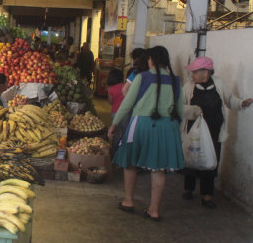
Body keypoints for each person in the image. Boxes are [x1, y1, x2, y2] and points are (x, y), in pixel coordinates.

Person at [108, 46, 184, 221]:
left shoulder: (142, 77)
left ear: (151, 60)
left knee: (130, 163)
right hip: (168, 126)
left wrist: (114, 124)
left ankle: (129, 201)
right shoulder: (175, 80)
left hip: (141, 124)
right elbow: (180, 110)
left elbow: (126, 104)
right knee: (158, 169)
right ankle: (154, 210)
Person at [181, 57, 253, 208]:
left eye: (194, 72)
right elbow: (180, 106)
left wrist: (242, 103)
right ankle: (188, 188)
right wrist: (193, 111)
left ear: (205, 73)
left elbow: (229, 99)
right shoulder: (189, 86)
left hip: (214, 131)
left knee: (211, 161)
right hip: (193, 131)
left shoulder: (218, 83)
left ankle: (207, 195)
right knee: (191, 157)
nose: (192, 75)